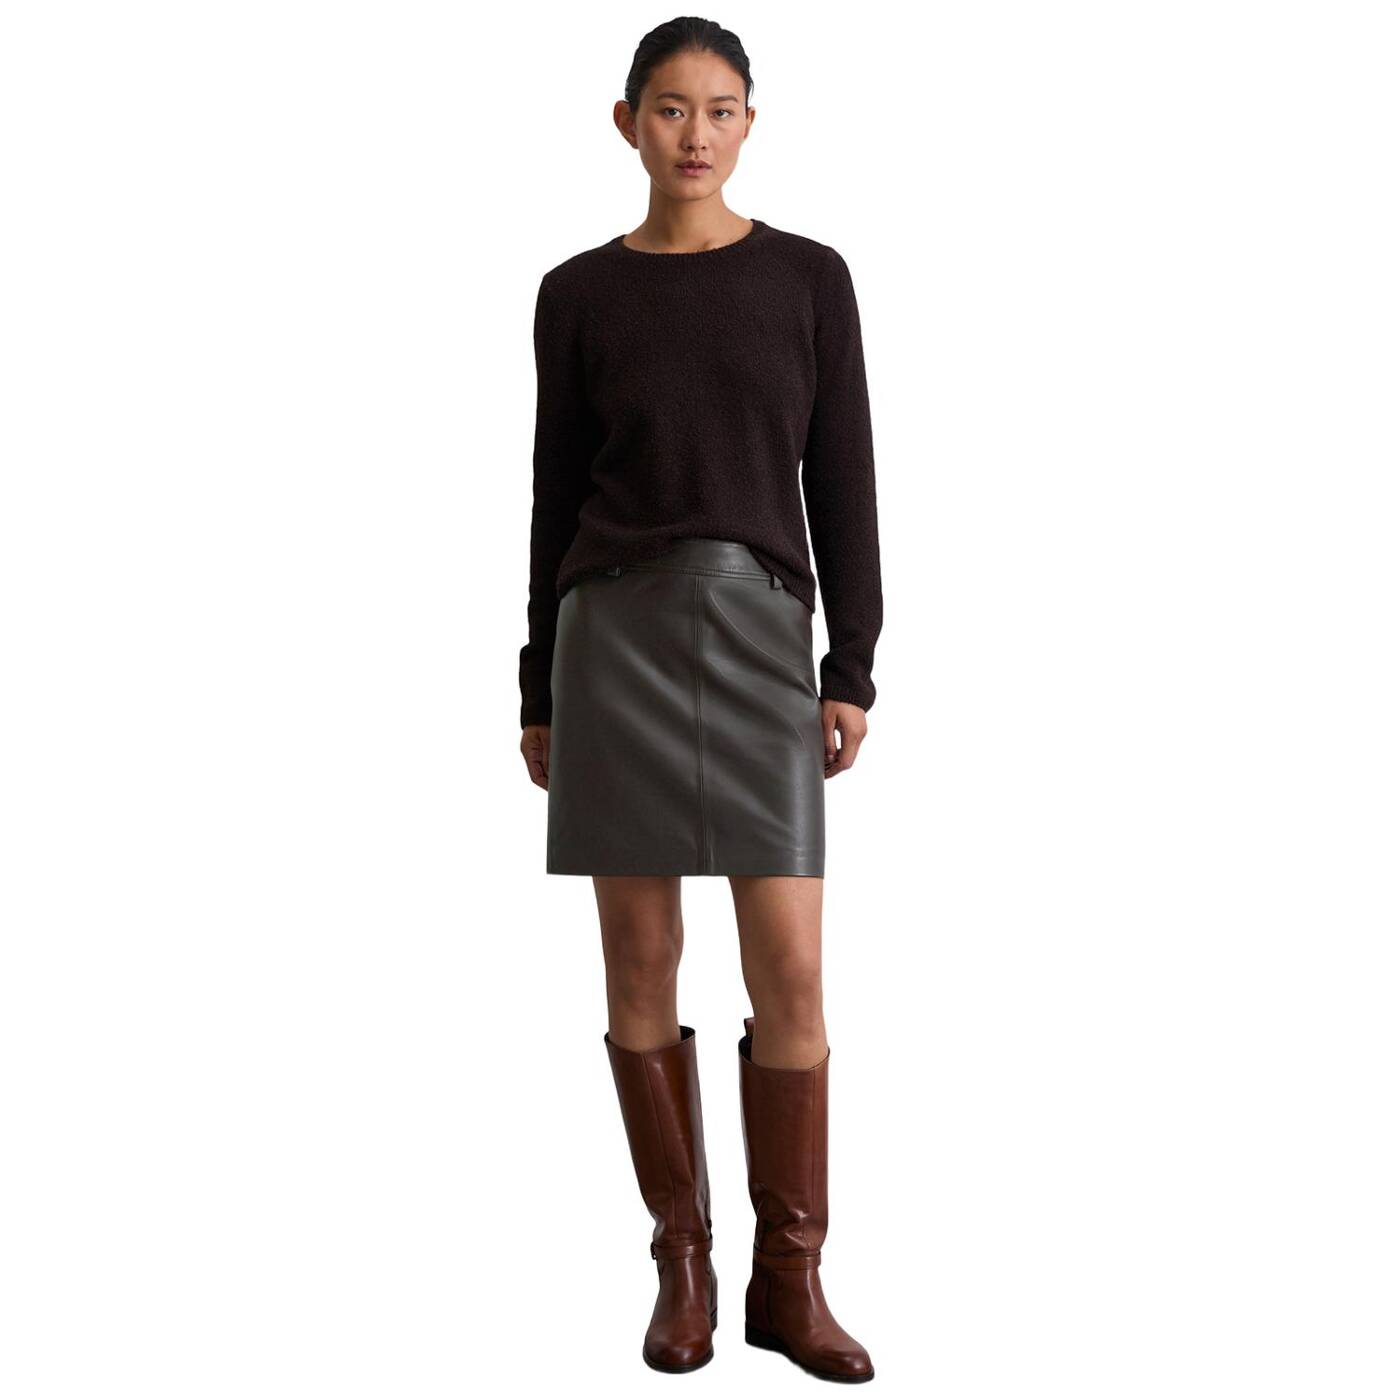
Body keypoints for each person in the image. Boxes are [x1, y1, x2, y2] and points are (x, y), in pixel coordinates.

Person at [517, 17, 881, 1383]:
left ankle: (793, 1279)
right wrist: (539, 684)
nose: (696, 133)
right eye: (670, 109)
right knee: (641, 961)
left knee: (791, 964)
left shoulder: (808, 278)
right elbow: (554, 492)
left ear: (750, 124)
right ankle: (683, 1263)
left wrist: (852, 664)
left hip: (761, 633)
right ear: (627, 123)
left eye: (721, 109)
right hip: (610, 636)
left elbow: (843, 475)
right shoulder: (577, 293)